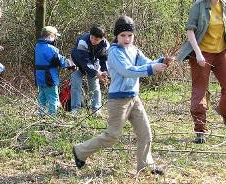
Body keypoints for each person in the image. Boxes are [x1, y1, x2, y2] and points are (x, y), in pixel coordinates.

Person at [72, 15, 170, 175]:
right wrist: (152, 69)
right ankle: (80, 151)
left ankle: (145, 165)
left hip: (134, 98)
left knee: (146, 134)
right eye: (123, 35)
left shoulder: (134, 50)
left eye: (130, 35)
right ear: (116, 36)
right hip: (118, 100)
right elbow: (127, 71)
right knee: (112, 136)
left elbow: (146, 62)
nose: (126, 39)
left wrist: (162, 60)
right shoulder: (114, 52)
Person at [177, 0, 226, 144]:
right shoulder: (199, 6)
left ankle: (222, 110)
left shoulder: (224, 5)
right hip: (202, 52)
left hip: (221, 53)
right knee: (200, 91)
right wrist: (197, 53)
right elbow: (190, 30)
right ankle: (200, 130)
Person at [70, 25, 109, 116]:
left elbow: (104, 59)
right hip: (77, 63)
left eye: (96, 39)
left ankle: (96, 109)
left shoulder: (105, 45)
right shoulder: (83, 41)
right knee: (76, 85)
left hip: (93, 63)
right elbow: (84, 61)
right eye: (91, 37)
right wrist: (96, 72)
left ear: (102, 39)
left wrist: (104, 71)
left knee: (94, 86)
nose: (93, 41)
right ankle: (75, 109)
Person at [35, 26, 74, 116]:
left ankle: (41, 115)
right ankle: (53, 116)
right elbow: (61, 61)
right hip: (49, 78)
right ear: (50, 36)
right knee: (53, 97)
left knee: (42, 97)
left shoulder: (37, 46)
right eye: (55, 36)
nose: (55, 39)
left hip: (39, 77)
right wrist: (71, 64)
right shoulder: (51, 49)